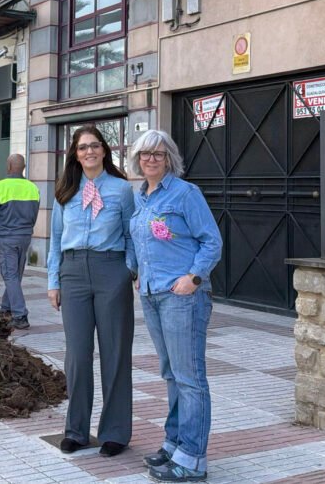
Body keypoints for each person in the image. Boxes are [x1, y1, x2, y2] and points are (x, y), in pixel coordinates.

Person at [129, 129, 222, 483]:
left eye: (158, 153)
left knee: (190, 377)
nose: (151, 159)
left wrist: (193, 278)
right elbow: (140, 242)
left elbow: (212, 241)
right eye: (145, 154)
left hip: (183, 297)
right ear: (137, 159)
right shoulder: (141, 198)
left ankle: (193, 459)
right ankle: (174, 444)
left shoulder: (186, 193)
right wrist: (138, 271)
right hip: (152, 295)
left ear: (169, 159)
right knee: (171, 374)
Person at [47, 125, 136, 458]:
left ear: (104, 150)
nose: (89, 152)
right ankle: (76, 431)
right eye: (83, 147)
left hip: (110, 270)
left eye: (95, 146)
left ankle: (114, 432)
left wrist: (129, 269)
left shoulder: (122, 190)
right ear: (75, 153)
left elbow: (131, 235)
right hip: (73, 274)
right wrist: (53, 281)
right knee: (77, 355)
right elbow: (55, 239)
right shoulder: (65, 191)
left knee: (115, 353)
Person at [0, 153, 40, 330]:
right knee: (15, 275)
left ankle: (20, 315)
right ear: (23, 168)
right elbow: (34, 215)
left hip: (8, 238)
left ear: (8, 166)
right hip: (25, 237)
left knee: (10, 275)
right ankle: (5, 308)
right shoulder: (32, 188)